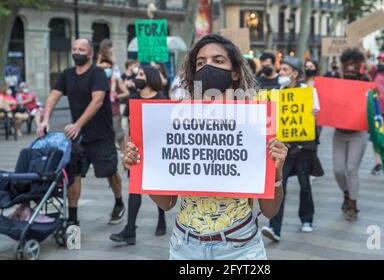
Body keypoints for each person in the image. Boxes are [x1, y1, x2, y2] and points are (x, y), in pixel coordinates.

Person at [122, 34, 287, 260]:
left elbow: (270, 211)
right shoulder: (178, 121)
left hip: (240, 248)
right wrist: (143, 167)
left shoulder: (256, 122)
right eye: (201, 63)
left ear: (235, 71)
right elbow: (167, 203)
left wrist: (276, 173)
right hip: (184, 247)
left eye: (218, 61)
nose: (207, 67)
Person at [37, 39, 126, 226]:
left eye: (81, 49)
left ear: (90, 54)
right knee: (74, 174)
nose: (77, 52)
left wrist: (77, 124)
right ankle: (73, 218)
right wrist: (45, 119)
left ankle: (119, 202)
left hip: (101, 134)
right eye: (75, 49)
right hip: (77, 138)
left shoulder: (98, 73)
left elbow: (98, 100)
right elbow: (53, 96)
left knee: (109, 172)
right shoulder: (67, 74)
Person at [261, 56, 322, 241]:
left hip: (303, 148)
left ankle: (307, 219)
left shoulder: (308, 92)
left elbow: (315, 114)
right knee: (280, 184)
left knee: (305, 185)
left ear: (295, 73)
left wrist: (313, 113)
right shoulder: (276, 92)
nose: (280, 73)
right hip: (284, 149)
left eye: (285, 70)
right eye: (281, 70)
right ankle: (274, 228)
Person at [110, 65, 167, 244]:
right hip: (137, 151)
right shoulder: (133, 99)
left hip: (157, 151)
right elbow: (128, 127)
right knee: (134, 189)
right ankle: (130, 230)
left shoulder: (161, 100)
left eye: (141, 74)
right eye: (138, 74)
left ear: (150, 78)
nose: (137, 76)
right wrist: (127, 150)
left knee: (157, 188)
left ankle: (161, 219)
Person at [333, 48, 370, 222]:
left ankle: (353, 207)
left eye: (353, 64)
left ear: (359, 65)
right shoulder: (335, 82)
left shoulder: (366, 83)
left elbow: (373, 106)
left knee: (351, 169)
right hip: (339, 133)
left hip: (358, 133)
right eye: (347, 64)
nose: (350, 68)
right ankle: (347, 194)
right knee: (338, 170)